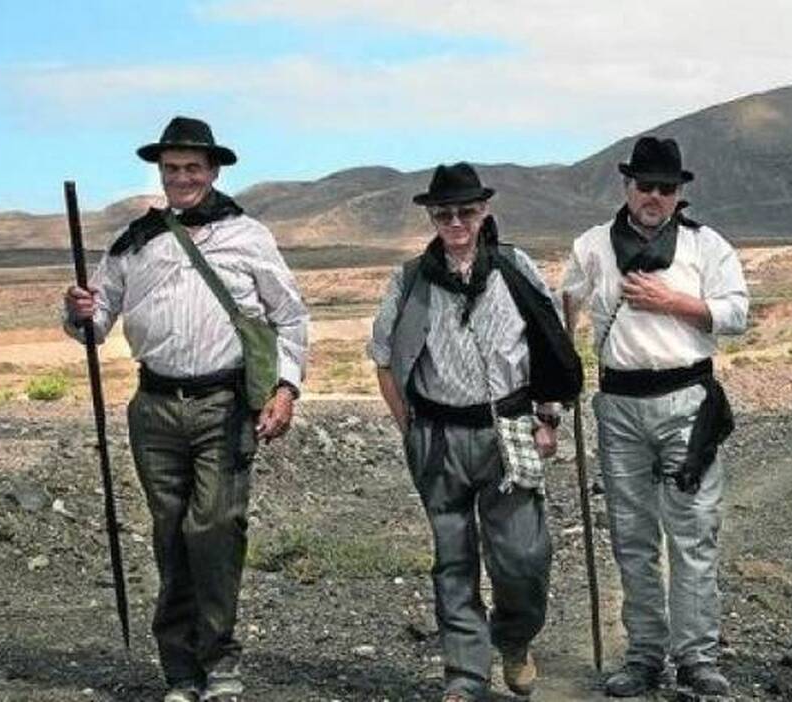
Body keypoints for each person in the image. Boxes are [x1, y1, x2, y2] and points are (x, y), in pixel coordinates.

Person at [63, 116, 309, 702]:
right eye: (171, 169)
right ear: (161, 172)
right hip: (154, 408)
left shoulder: (248, 235)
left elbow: (291, 317)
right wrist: (78, 309)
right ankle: (180, 671)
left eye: (192, 168)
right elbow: (96, 325)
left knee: (216, 529)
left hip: (223, 405)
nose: (181, 178)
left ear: (214, 170)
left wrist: (285, 388)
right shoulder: (133, 240)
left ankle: (219, 660)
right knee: (171, 535)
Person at [368, 162, 580, 702]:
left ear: (484, 211)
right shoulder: (410, 278)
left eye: (466, 210)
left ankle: (514, 640)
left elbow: (548, 344)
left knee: (524, 558)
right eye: (444, 212)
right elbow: (385, 359)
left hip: (510, 427)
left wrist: (548, 418)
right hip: (438, 437)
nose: (455, 221)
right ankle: (465, 675)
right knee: (453, 559)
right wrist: (408, 428)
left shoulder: (515, 267)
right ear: (432, 216)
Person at [560, 136, 749, 698]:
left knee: (692, 532)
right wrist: (558, 374)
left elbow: (737, 313)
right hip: (618, 406)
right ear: (627, 186)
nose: (655, 197)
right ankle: (643, 655)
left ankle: (696, 657)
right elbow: (563, 313)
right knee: (632, 535)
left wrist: (677, 303)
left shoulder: (706, 246)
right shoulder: (592, 246)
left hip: (688, 402)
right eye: (646, 186)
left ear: (679, 194)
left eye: (667, 189)